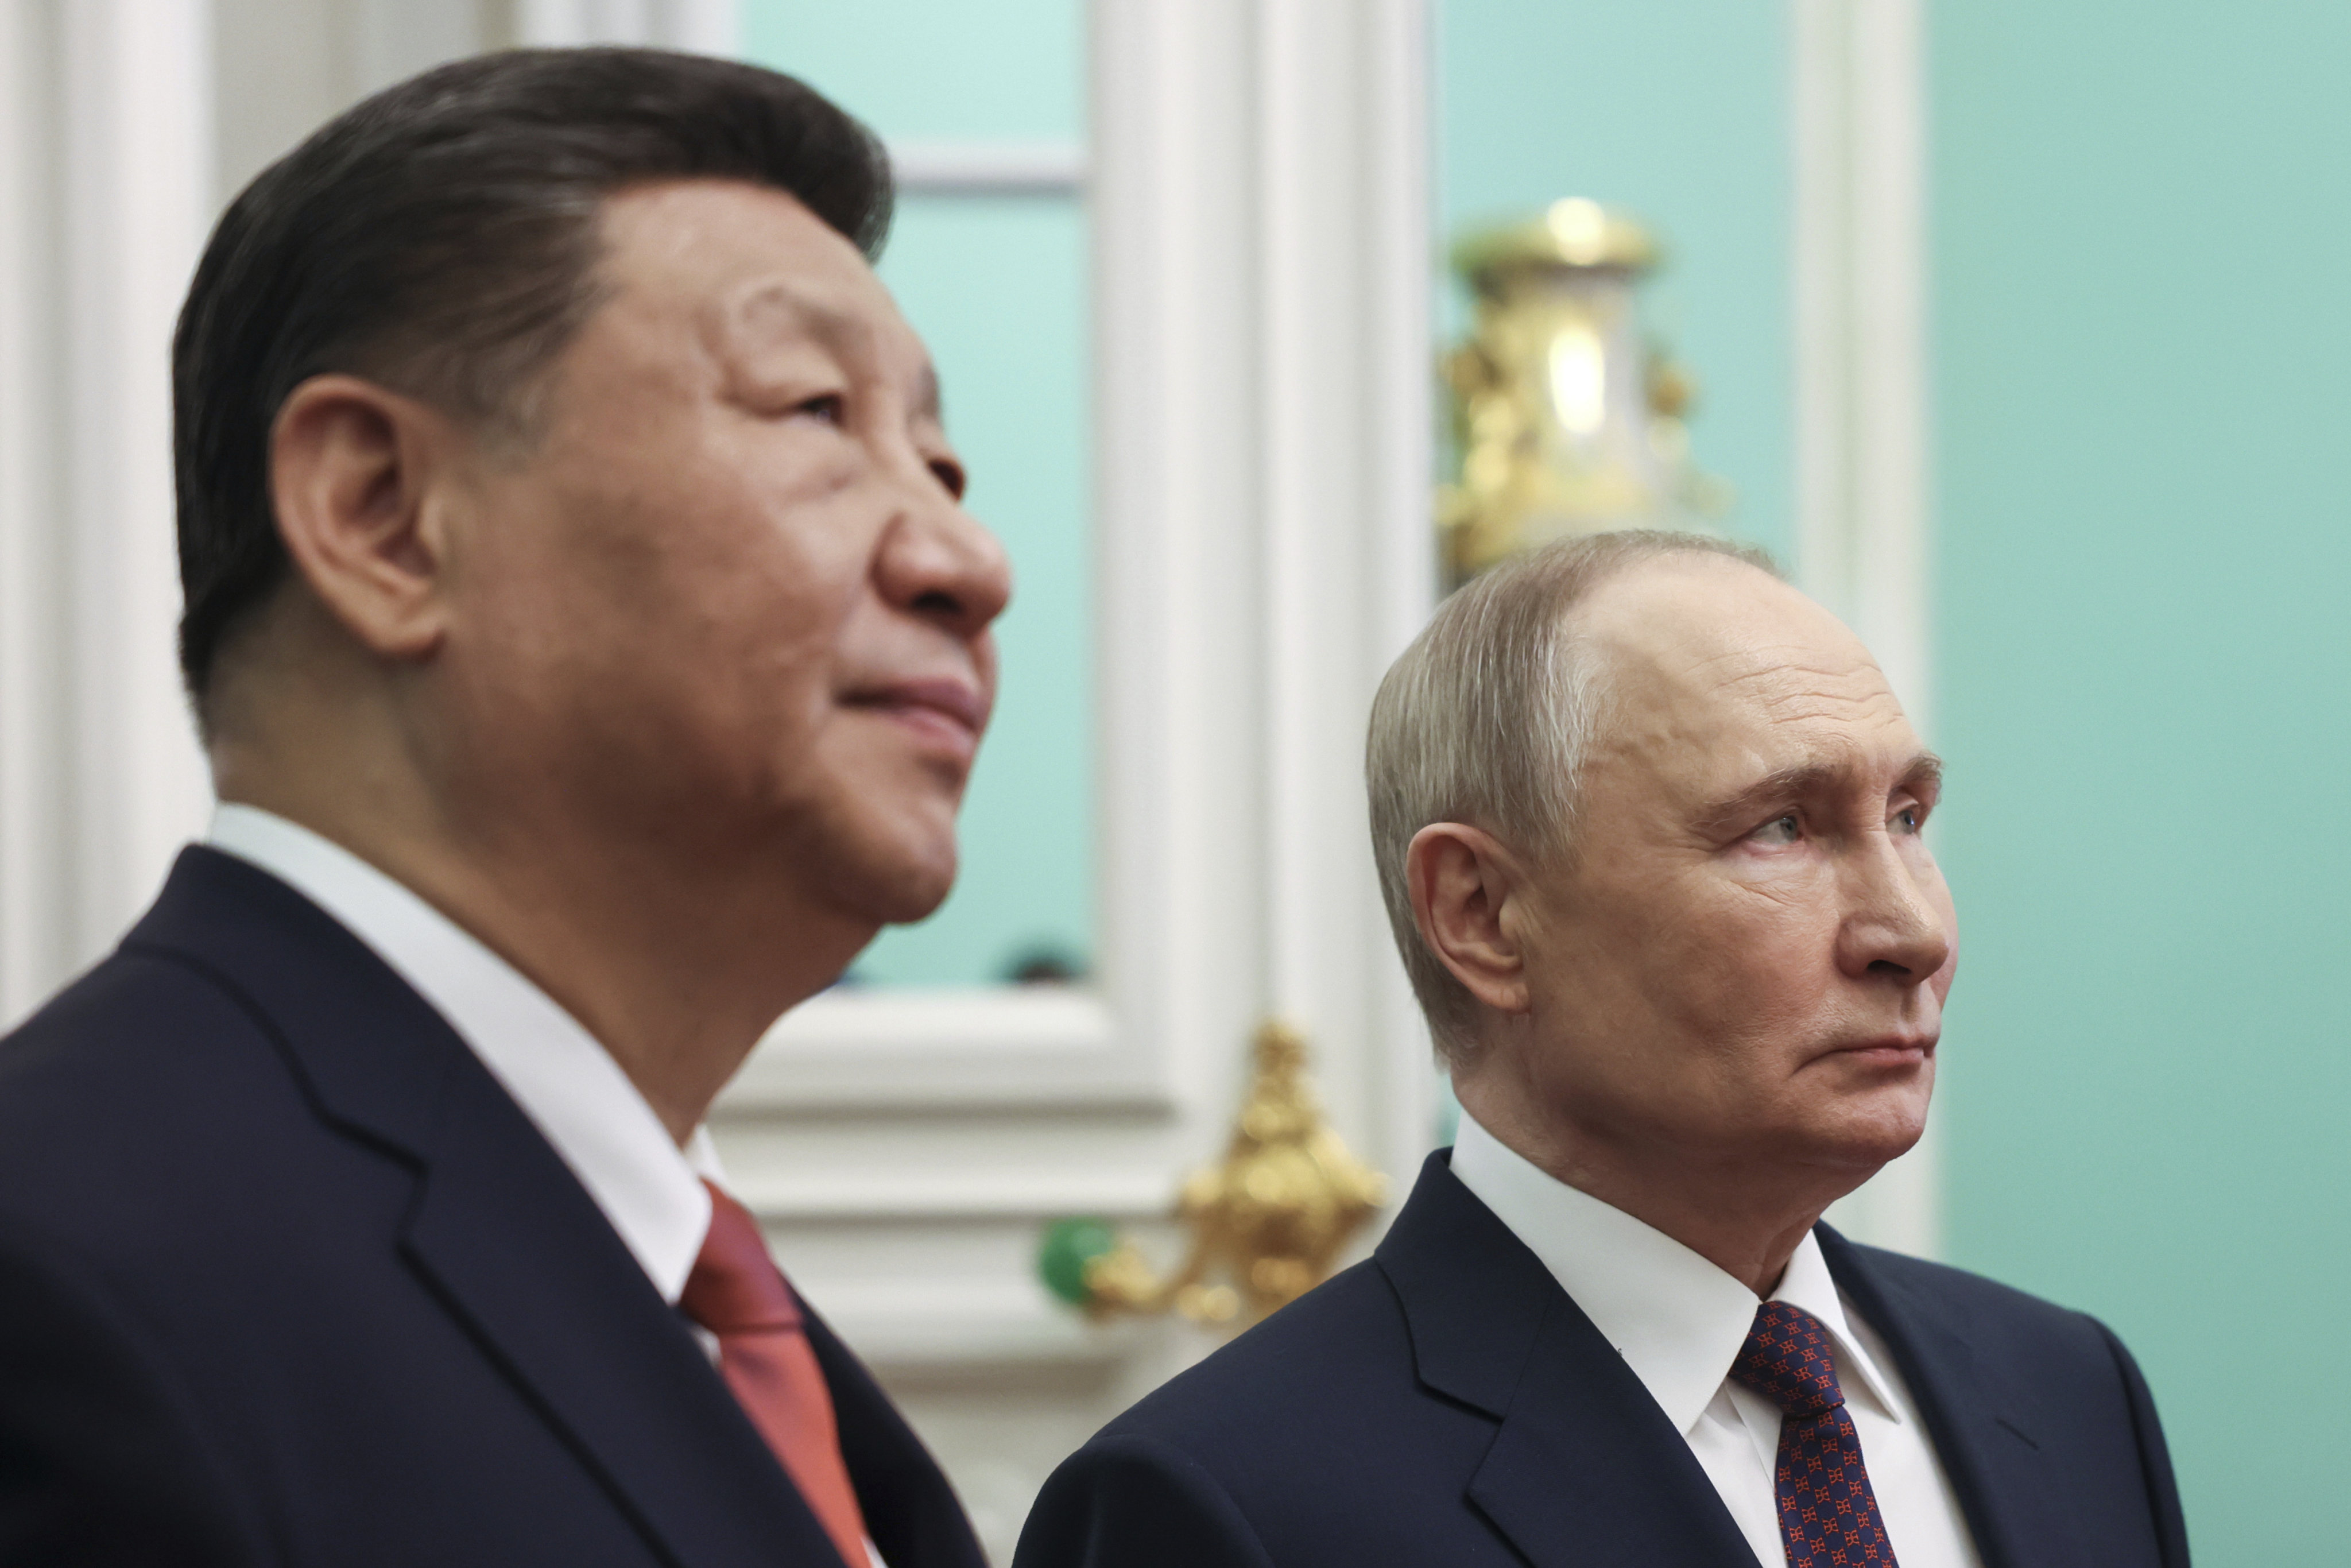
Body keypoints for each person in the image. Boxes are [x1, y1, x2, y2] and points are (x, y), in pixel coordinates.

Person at [0, 48, 1008, 1568]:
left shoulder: (719, 1316)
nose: (968, 560)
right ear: (381, 516)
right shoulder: (61, 1268)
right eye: (813, 410)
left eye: (940, 458)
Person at [1016, 531, 2189, 1568]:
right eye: (1780, 826)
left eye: (1907, 819)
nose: (1913, 931)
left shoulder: (2070, 1393)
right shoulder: (1222, 1507)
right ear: (1480, 914)